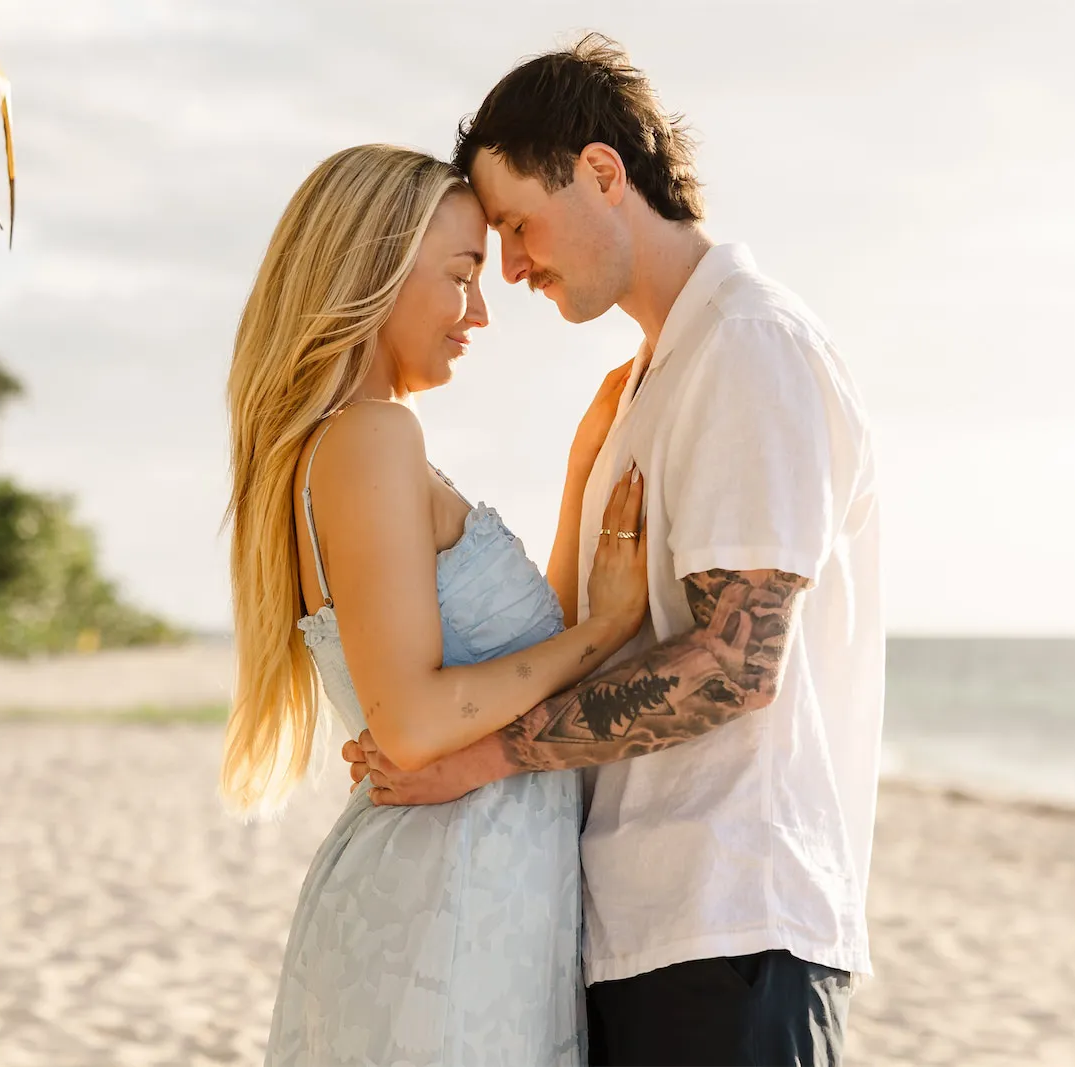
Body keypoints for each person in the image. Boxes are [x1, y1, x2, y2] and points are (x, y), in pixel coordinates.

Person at [347, 34, 885, 1067]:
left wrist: (480, 758)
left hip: (735, 923)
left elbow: (735, 662)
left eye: (516, 222)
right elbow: (602, 633)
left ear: (602, 172)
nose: (509, 266)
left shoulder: (748, 345)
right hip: (644, 926)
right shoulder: (654, 376)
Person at [223, 143, 651, 1066]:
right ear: (374, 270)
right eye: (461, 276)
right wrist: (604, 633)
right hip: (449, 899)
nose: (482, 312)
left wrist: (581, 473)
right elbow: (414, 721)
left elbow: (490, 656)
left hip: (455, 889)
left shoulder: (342, 448)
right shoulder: (372, 436)